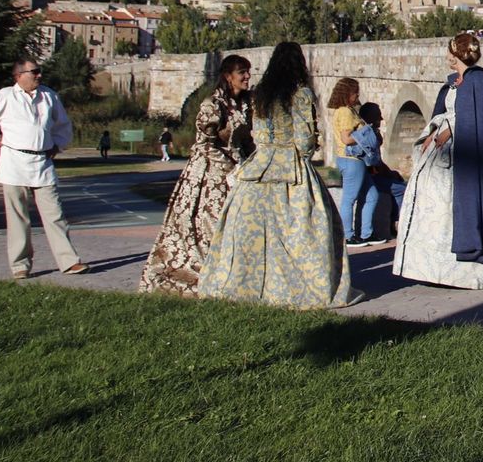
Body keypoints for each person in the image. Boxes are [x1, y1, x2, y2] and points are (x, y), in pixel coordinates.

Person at [198, 42, 357, 308]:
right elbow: (305, 140)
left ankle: (244, 285)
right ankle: (295, 286)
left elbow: (257, 133)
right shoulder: (301, 94)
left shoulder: (260, 94)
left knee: (251, 231)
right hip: (291, 167)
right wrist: (304, 152)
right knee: (301, 231)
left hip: (259, 166)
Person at [394, 31, 483, 288]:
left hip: (462, 155)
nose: (446, 56)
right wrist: (434, 131)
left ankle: (468, 269)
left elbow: (474, 118)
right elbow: (452, 111)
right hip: (443, 153)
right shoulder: (455, 83)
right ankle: (432, 269)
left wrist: (449, 129)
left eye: (449, 51)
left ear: (456, 54)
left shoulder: (477, 82)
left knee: (457, 205)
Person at [0, 58, 89, 279]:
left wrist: (58, 144)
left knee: (55, 215)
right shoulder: (5, 97)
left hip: (43, 163)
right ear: (19, 75)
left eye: (40, 72)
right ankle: (20, 265)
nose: (39, 75)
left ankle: (69, 261)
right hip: (14, 163)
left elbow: (63, 124)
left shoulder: (49, 96)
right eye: (34, 72)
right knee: (18, 217)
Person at [139, 54, 253, 295]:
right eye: (242, 72)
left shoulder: (245, 103)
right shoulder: (212, 105)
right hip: (210, 175)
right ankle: (208, 271)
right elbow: (205, 145)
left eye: (248, 71)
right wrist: (230, 167)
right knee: (207, 224)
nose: (247, 76)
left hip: (238, 171)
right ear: (227, 76)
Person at [328, 77, 378, 247]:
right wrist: (366, 133)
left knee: (372, 196)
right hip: (351, 160)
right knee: (349, 199)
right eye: (355, 92)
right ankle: (348, 236)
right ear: (346, 93)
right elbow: (346, 138)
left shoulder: (349, 110)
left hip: (355, 161)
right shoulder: (345, 112)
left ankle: (366, 234)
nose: (358, 95)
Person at [352, 102, 406, 239]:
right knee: (402, 189)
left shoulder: (365, 132)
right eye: (378, 116)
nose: (381, 119)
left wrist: (390, 172)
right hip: (371, 178)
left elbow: (377, 163)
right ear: (370, 117)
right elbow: (373, 164)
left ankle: (393, 222)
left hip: (369, 175)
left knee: (397, 182)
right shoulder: (369, 135)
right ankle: (396, 222)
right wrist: (388, 173)